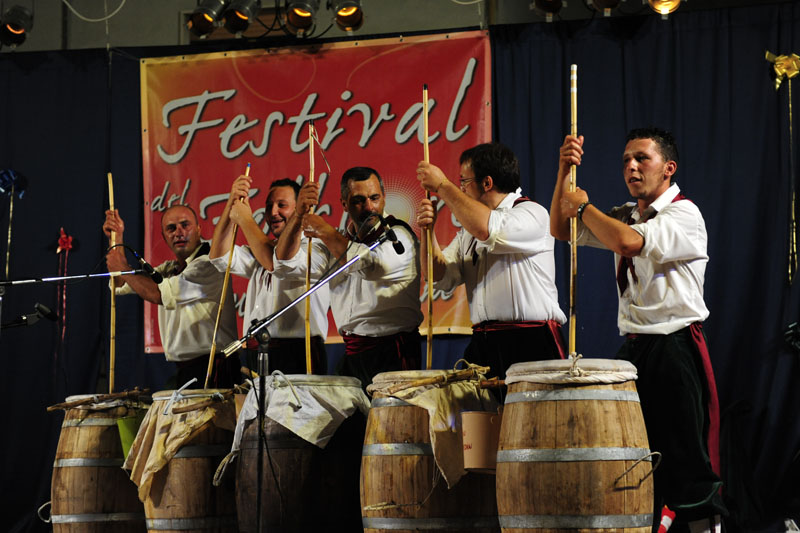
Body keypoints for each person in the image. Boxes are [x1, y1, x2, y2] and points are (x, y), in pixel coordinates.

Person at [551, 128, 726, 533]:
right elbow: (562, 230)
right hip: (636, 349)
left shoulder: (684, 214)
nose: (631, 166)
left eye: (641, 159)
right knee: (633, 454)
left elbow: (630, 244)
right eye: (626, 159)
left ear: (668, 168)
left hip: (675, 345)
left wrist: (585, 207)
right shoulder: (624, 214)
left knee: (686, 456)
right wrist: (565, 170)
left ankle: (704, 526)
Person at [415, 142, 567, 381]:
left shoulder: (531, 213)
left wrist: (442, 186)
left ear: (486, 183)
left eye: (463, 182)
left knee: (532, 417)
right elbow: (438, 276)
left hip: (530, 339)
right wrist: (428, 232)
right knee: (480, 416)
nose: (461, 188)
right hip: (484, 341)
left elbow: (489, 230)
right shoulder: (468, 232)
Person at [273, 166, 423, 389]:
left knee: (389, 423)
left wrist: (325, 231)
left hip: (393, 353)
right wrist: (298, 215)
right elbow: (284, 263)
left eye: (374, 198)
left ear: (384, 198)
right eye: (359, 201)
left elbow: (369, 265)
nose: (369, 207)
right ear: (344, 204)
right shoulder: (336, 243)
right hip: (352, 354)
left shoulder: (398, 236)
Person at [103, 204, 239, 388]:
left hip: (213, 369)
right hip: (187, 370)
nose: (179, 232)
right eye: (171, 228)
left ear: (199, 229)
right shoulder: (170, 269)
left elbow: (158, 293)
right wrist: (117, 238)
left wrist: (124, 269)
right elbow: (122, 284)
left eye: (185, 225)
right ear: (164, 236)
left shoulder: (210, 263)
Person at [209, 175, 329, 375]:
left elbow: (277, 262)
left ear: (300, 208)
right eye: (269, 206)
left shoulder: (313, 247)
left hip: (297, 352)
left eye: (282, 205)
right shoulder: (262, 249)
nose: (273, 212)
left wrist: (245, 219)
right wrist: (232, 204)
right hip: (258, 350)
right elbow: (219, 256)